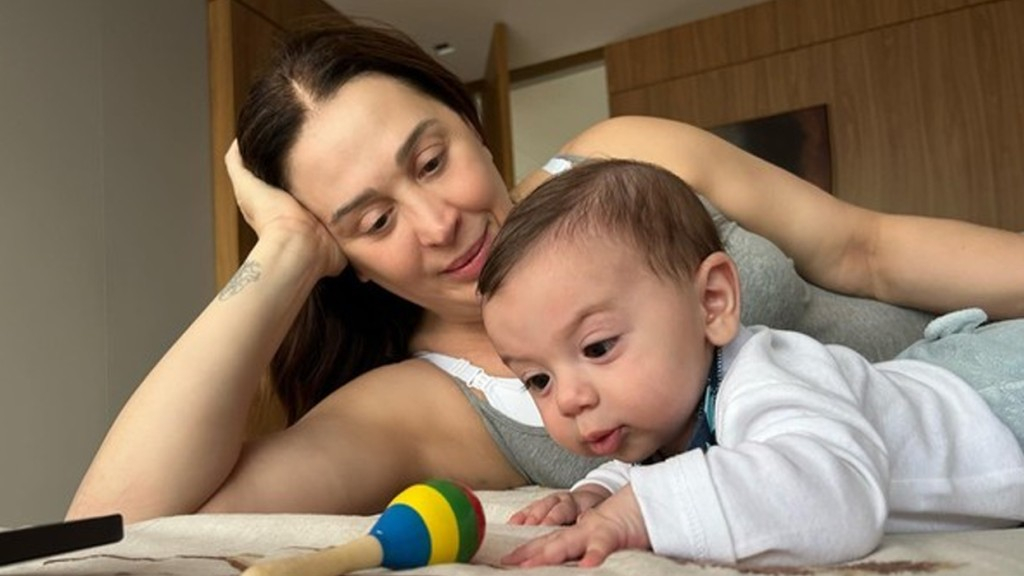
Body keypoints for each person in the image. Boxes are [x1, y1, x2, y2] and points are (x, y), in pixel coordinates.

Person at [65, 20, 1024, 525]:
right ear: (342, 258)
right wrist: (278, 261)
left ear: (468, 120)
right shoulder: (424, 407)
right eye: (374, 220)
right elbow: (113, 527)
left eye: (432, 158)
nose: (442, 225)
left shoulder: (623, 153)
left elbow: (868, 250)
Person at [478, 159, 1024, 568]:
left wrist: (643, 511)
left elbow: (836, 497)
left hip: (996, 398)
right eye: (538, 379)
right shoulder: (664, 416)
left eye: (597, 347)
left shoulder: (765, 375)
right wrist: (595, 494)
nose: (569, 399)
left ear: (711, 302)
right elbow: (655, 465)